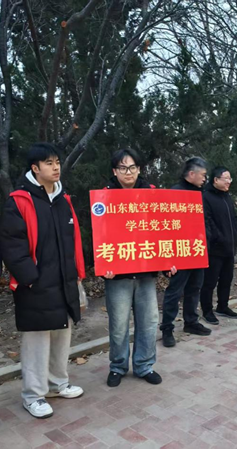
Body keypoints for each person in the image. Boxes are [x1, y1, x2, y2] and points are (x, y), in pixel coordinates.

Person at [0, 143, 85, 419]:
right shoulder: (19, 201)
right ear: (35, 168)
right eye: (49, 163)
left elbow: (74, 241)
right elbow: (11, 245)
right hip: (35, 285)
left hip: (64, 282)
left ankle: (58, 384)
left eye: (57, 161)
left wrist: (77, 275)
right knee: (36, 342)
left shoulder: (63, 200)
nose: (56, 167)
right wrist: (31, 279)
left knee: (61, 335)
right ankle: (33, 395)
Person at [101, 148, 176, 387]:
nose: (128, 172)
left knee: (149, 322)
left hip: (145, 273)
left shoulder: (151, 194)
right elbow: (99, 235)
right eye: (123, 168)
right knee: (118, 325)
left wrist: (167, 263)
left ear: (139, 169)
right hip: (118, 275)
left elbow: (162, 230)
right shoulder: (104, 197)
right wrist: (104, 265)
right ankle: (118, 366)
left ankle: (144, 365)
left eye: (132, 167)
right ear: (115, 171)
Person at [161, 157, 212, 347]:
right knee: (175, 291)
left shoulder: (201, 193)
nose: (205, 179)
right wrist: (167, 259)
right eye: (203, 175)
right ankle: (167, 328)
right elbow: (166, 226)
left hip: (197, 249)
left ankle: (191, 322)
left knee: (194, 288)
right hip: (179, 252)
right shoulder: (175, 193)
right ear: (191, 174)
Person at [200, 166, 237, 325]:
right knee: (209, 282)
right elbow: (207, 221)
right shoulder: (206, 197)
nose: (229, 182)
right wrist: (217, 238)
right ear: (216, 180)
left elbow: (234, 219)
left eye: (230, 179)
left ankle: (223, 306)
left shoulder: (227, 197)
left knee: (226, 279)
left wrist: (235, 237)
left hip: (229, 247)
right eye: (226, 178)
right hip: (215, 249)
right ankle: (207, 311)